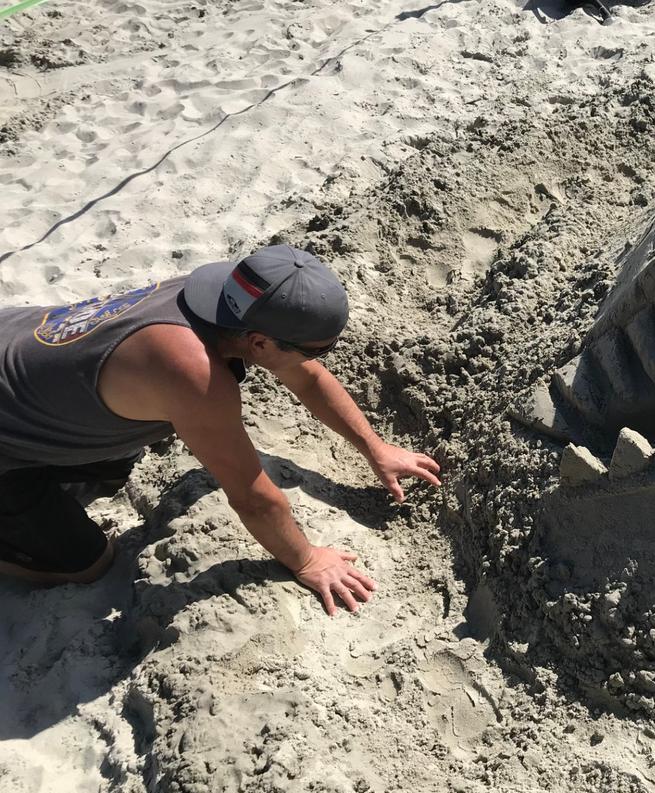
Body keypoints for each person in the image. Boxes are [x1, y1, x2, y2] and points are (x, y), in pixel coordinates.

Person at [0, 244, 441, 616]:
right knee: (87, 563)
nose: (317, 360)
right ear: (260, 343)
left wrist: (375, 447)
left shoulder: (219, 299)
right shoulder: (194, 374)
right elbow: (252, 497)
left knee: (116, 461)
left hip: (16, 346)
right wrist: (307, 560)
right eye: (317, 350)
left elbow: (307, 379)